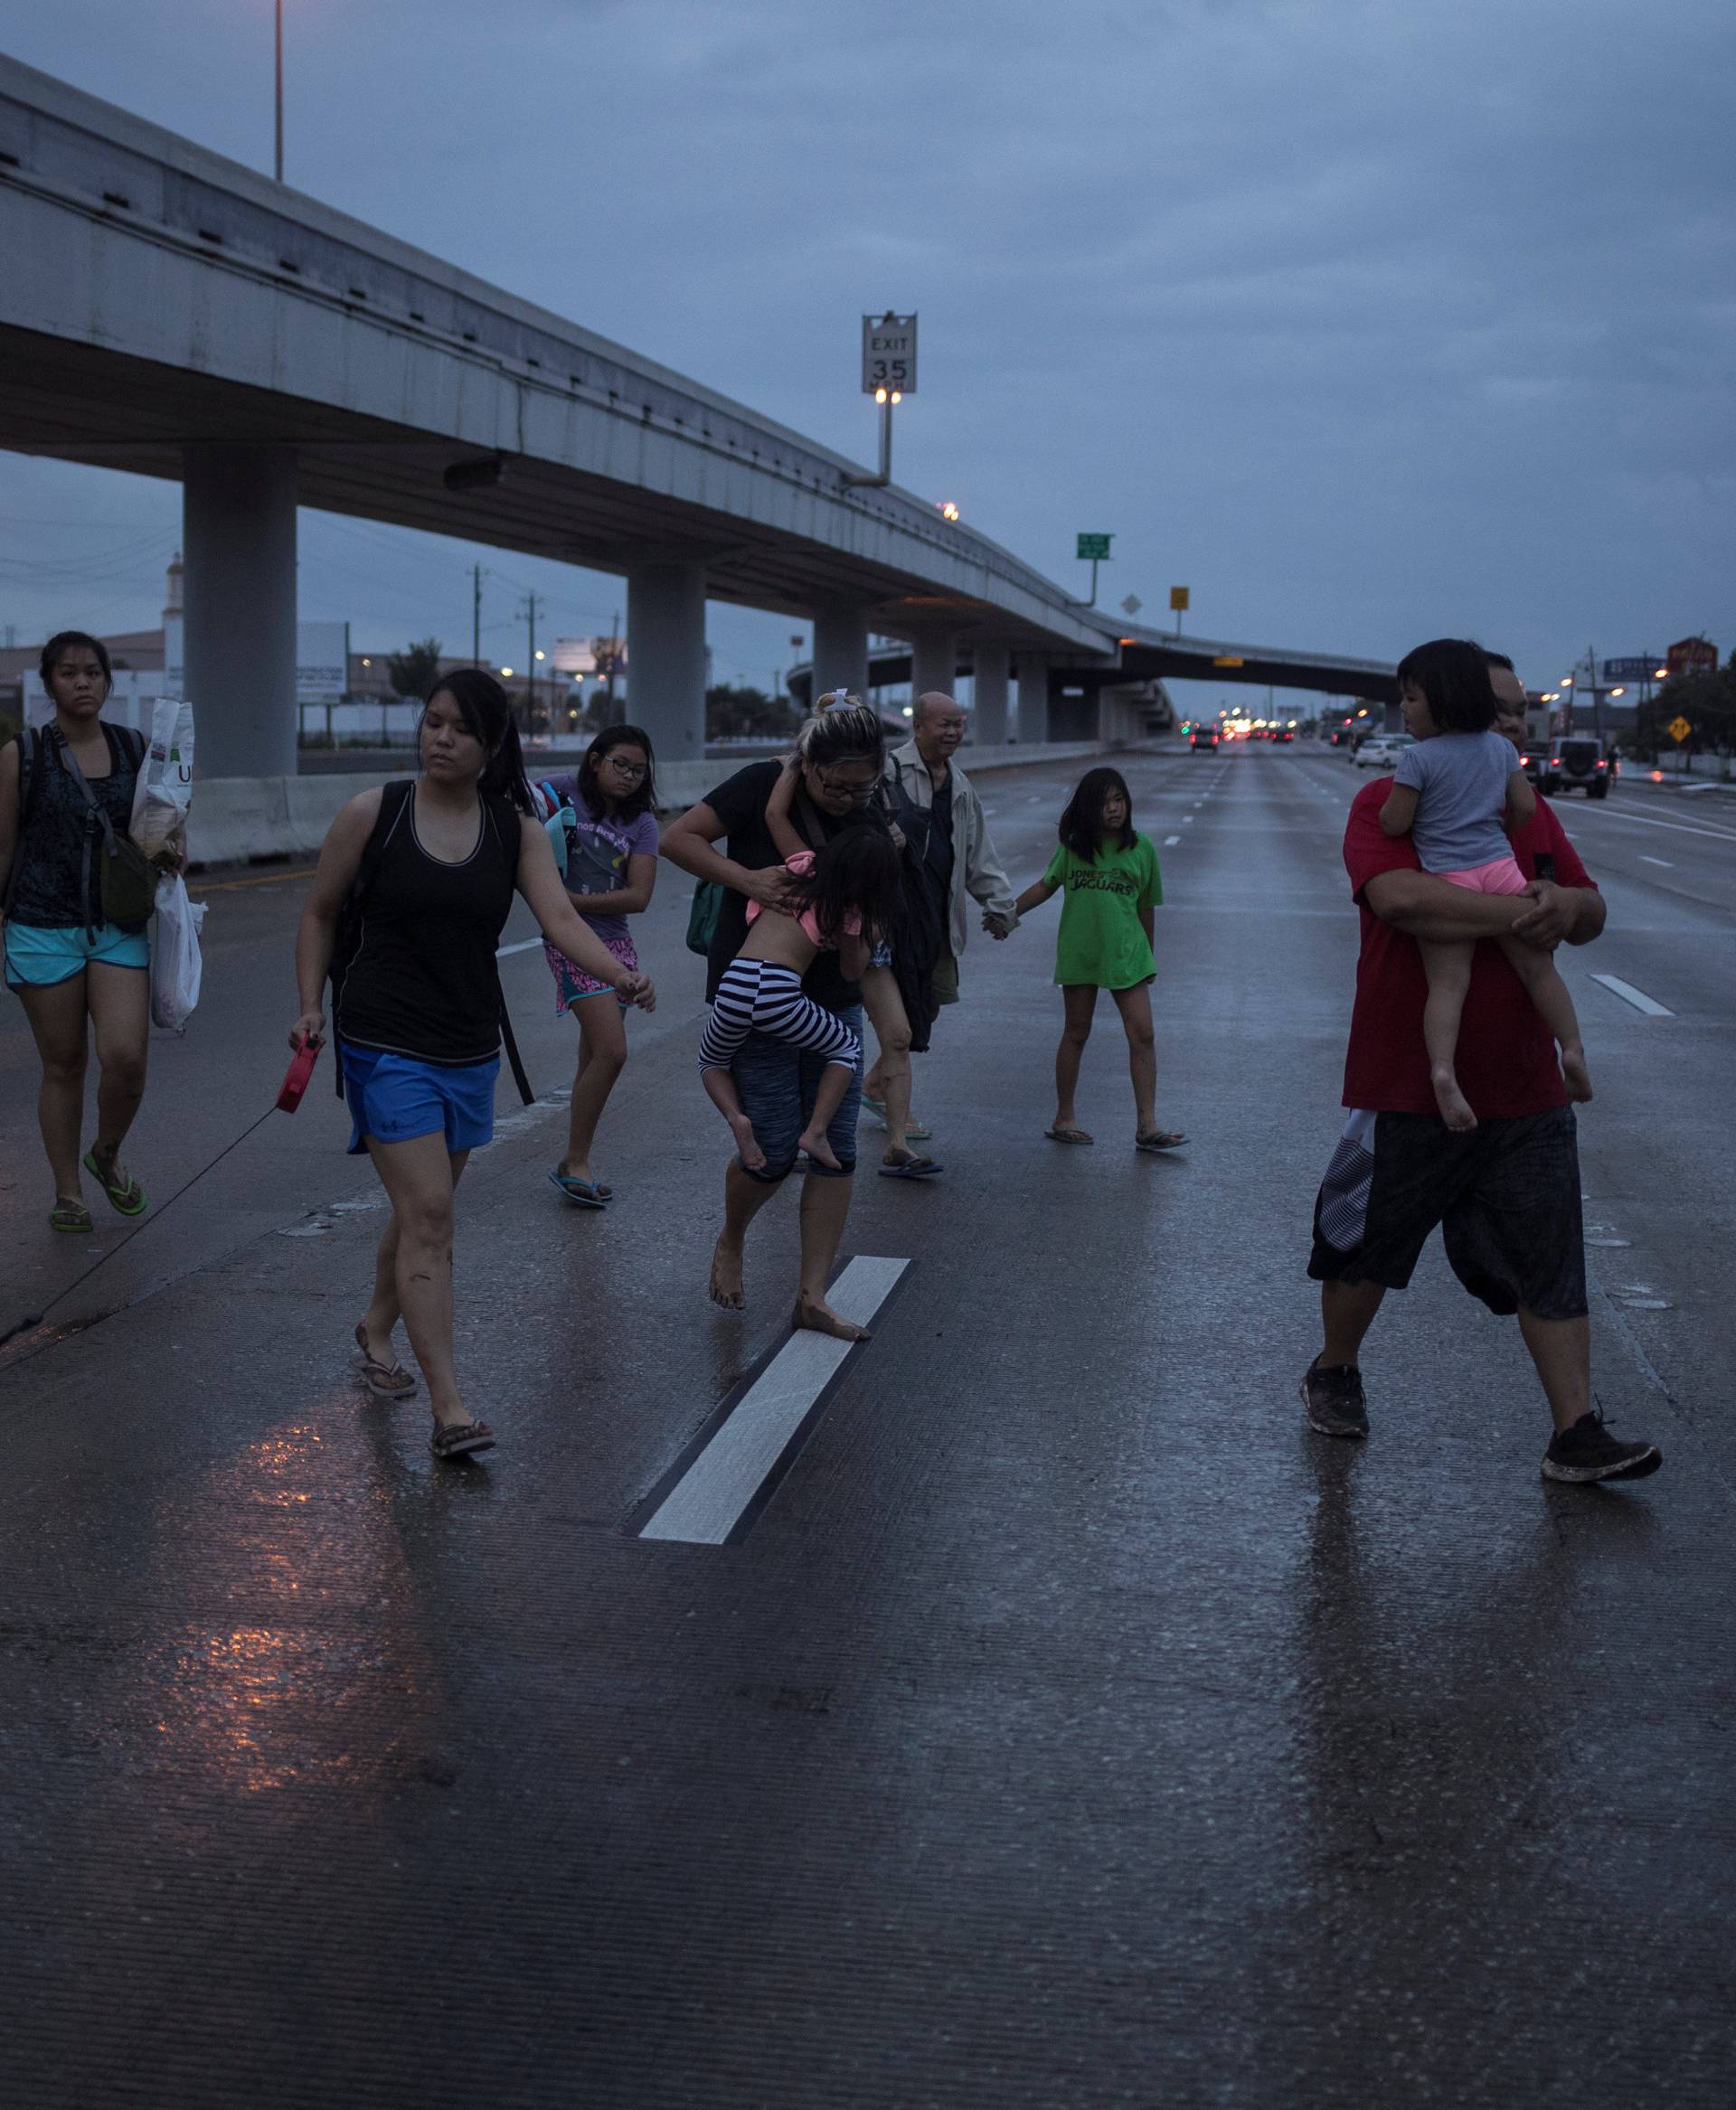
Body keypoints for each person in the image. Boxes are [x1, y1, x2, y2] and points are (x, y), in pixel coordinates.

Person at [1301, 647, 1660, 1486]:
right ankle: (1335, 1368)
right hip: (1407, 1082)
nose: (1509, 722)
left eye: (1518, 710)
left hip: (1526, 1087)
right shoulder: (1384, 802)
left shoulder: (1527, 812)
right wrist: (1516, 911)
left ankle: (1575, 1432)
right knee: (1368, 1251)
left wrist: (1567, 905)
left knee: (1550, 1259)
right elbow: (1399, 899)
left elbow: (1589, 909)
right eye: (1495, 707)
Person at [289, 671, 655, 1461]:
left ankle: (377, 1325)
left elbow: (558, 919)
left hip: (467, 1043)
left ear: (490, 746)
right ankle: (450, 1409)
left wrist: (621, 974)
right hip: (382, 1038)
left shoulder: (512, 828)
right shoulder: (374, 814)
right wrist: (311, 1006)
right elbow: (319, 912)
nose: (440, 737)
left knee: (427, 1207)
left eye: (458, 728)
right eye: (431, 723)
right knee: (430, 1213)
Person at [660, 702, 888, 1339]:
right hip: (760, 998)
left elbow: (869, 917)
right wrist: (747, 882)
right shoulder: (763, 782)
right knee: (773, 1152)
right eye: (834, 785)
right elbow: (676, 838)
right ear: (807, 766)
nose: (846, 798)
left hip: (831, 1002)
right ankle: (733, 1237)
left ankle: (811, 1296)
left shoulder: (867, 818)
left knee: (836, 1153)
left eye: (860, 787)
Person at [0, 631, 182, 1233]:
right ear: (48, 682)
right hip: (39, 926)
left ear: (107, 682)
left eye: (94, 673)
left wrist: (172, 848)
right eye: (70, 673)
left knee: (125, 1057)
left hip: (115, 926)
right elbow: (3, 849)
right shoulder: (20, 755)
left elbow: (156, 837)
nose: (83, 682)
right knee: (64, 1063)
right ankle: (68, 1193)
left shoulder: (134, 749)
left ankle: (105, 1153)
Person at [1378, 639, 1590, 1132]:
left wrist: (1411, 813)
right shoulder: (1498, 751)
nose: (1404, 709)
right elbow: (1523, 809)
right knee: (1538, 971)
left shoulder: (1417, 760)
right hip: (1499, 868)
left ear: (1442, 700)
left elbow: (1394, 823)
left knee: (1449, 983)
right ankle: (1574, 1049)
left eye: (1410, 699)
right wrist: (1498, 825)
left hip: (1449, 876)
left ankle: (1442, 1071)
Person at [767, 716, 939, 1178]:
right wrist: (789, 770)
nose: (850, 796)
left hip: (871, 935)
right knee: (824, 1048)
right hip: (835, 947)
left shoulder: (881, 789)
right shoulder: (812, 867)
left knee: (897, 1036)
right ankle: (802, 1135)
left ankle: (898, 1142)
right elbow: (775, 817)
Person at [699, 826, 904, 1172]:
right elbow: (852, 972)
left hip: (734, 981)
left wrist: (790, 771)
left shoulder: (798, 868)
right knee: (845, 1048)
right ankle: (816, 1132)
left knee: (712, 1062)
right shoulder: (849, 912)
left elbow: (774, 817)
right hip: (777, 989)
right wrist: (870, 933)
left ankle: (736, 1118)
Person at [1010, 767, 1184, 1153]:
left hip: (1128, 954)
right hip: (1082, 950)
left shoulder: (1142, 848)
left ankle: (1147, 1124)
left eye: (1119, 800)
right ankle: (1064, 1117)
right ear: (1090, 809)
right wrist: (1009, 914)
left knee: (1143, 1033)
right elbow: (1045, 885)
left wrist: (1149, 957)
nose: (1113, 810)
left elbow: (1146, 907)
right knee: (1076, 1031)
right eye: (1104, 803)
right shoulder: (1074, 847)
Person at [878, 691, 1019, 1141]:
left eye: (958, 724)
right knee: (900, 1026)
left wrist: (999, 906)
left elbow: (978, 854)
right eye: (944, 724)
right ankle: (895, 1115)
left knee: (930, 1006)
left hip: (937, 920)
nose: (953, 733)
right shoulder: (889, 772)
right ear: (917, 727)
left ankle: (872, 1086)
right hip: (891, 918)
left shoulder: (960, 786)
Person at [532, 725, 660, 1209]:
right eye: (620, 764)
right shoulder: (560, 790)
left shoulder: (643, 823)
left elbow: (639, 896)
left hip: (617, 943)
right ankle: (577, 1161)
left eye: (639, 770)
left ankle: (573, 1160)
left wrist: (570, 899)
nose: (629, 776)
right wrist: (557, 907)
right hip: (569, 941)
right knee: (613, 1051)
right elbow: (512, 807)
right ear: (595, 760)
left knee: (594, 1058)